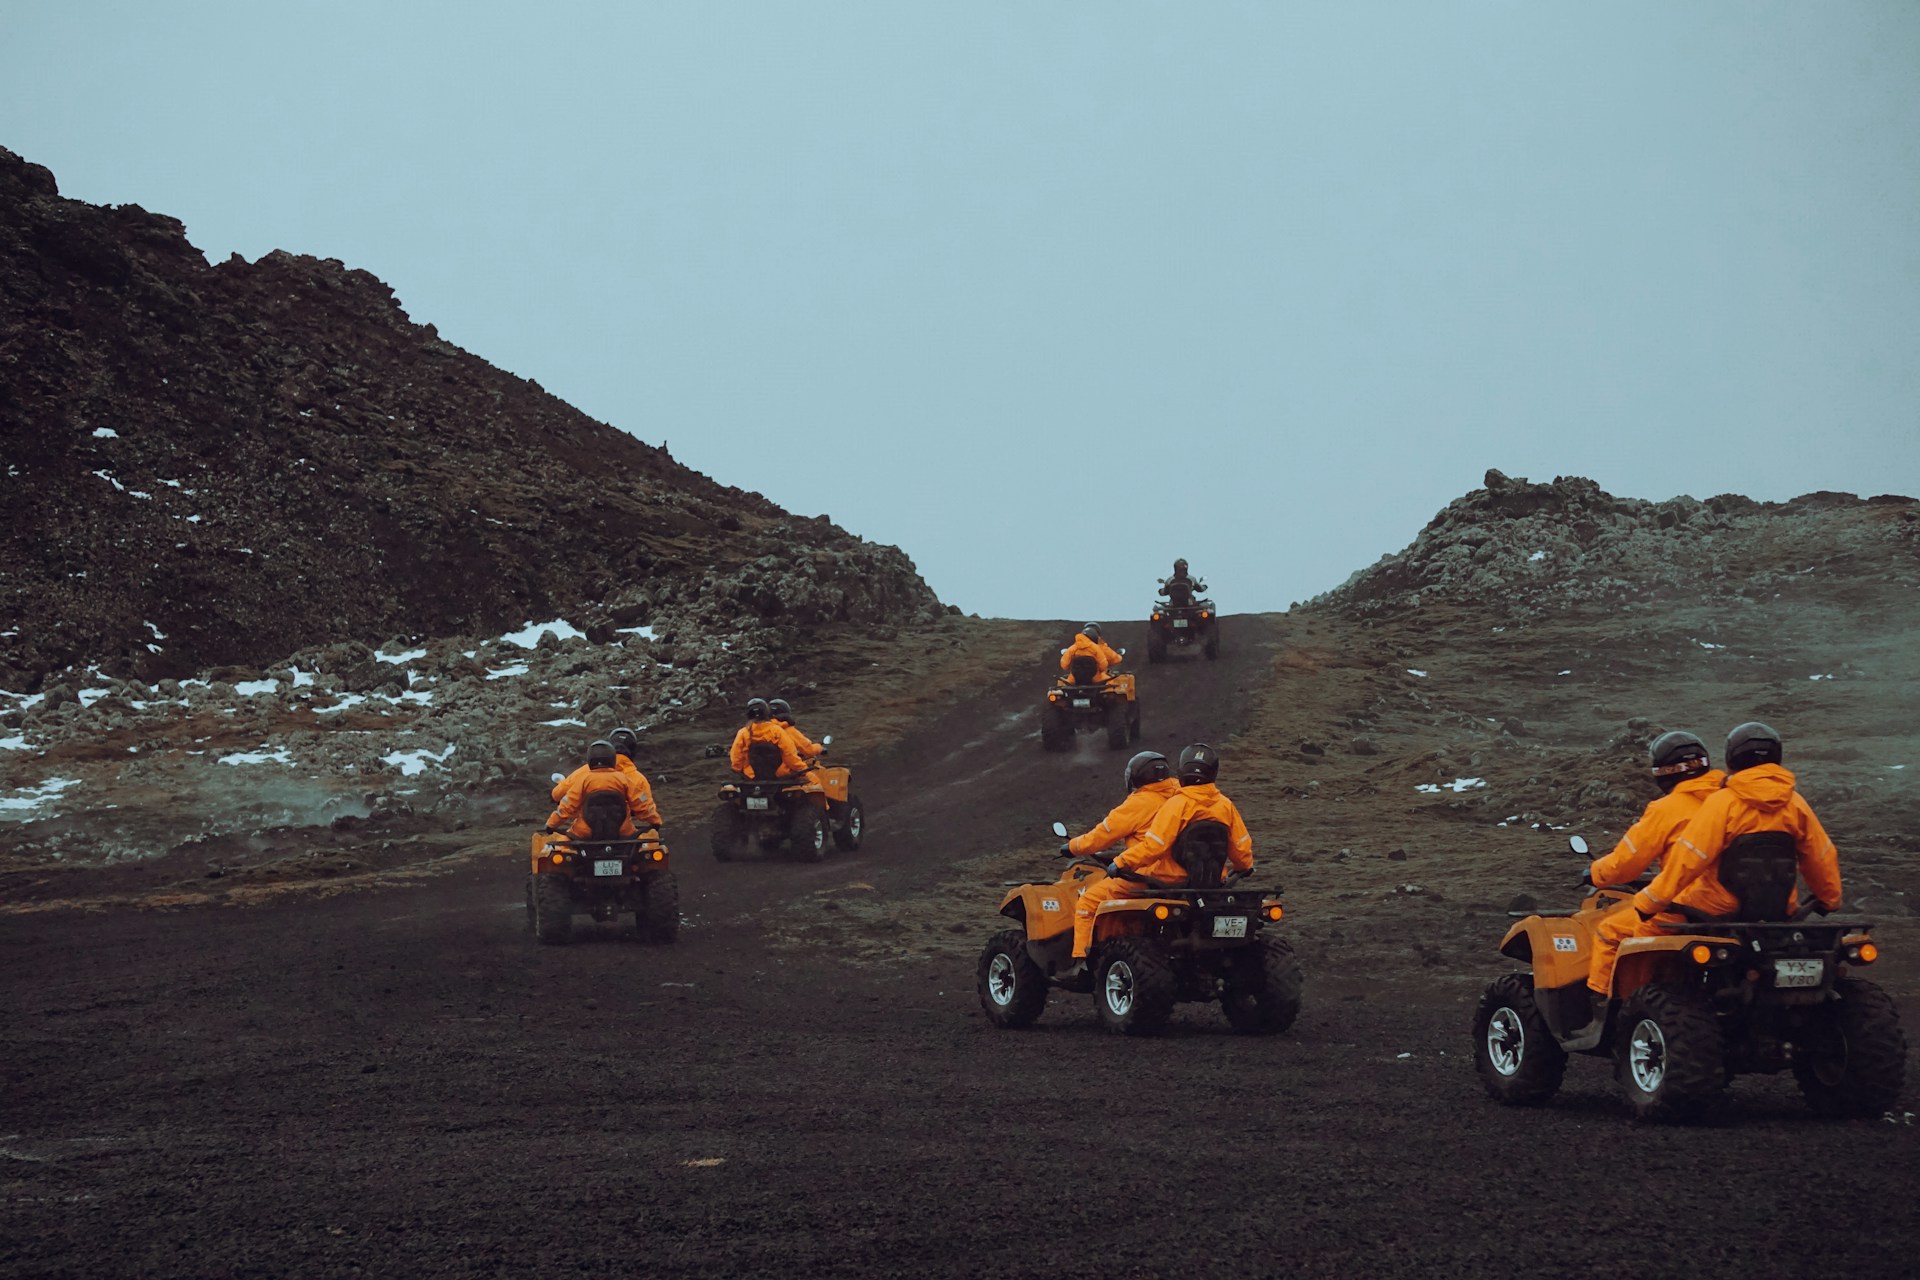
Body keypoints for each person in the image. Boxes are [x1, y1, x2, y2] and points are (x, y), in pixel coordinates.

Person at [1586, 722, 1844, 999]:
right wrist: (1829, 898)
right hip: (1778, 910)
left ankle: (1621, 1010)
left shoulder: (1723, 803)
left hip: (1713, 907)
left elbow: (1690, 858)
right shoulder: (1796, 803)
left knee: (1624, 933)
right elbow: (1821, 855)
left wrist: (1650, 901)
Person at [1069, 744, 1253, 962]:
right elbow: (1241, 846)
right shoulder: (1225, 805)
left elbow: (1154, 846)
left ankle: (1080, 960)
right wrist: (1243, 867)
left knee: (1089, 900)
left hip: (1165, 878)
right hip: (1210, 881)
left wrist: (1120, 862)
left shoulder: (1177, 803)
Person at [1583, 731, 1724, 996]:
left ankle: (1610, 1010)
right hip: (1740, 906)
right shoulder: (1733, 801)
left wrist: (1595, 873)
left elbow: (1627, 862)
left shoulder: (1667, 808)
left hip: (1689, 905)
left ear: (1663, 771)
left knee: (1610, 931)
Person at [1064, 752, 1184, 962]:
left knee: (1087, 902)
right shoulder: (1182, 796)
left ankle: (1080, 961)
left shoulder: (1140, 802)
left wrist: (1072, 846)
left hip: (1151, 875)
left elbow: (1101, 836)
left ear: (1136, 777)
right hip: (1186, 874)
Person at [550, 727, 661, 831]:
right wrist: (656, 821)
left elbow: (558, 795)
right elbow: (645, 807)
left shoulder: (584, 774)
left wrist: (551, 824)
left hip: (586, 830)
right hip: (622, 830)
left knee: (562, 846)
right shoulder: (637, 779)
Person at [729, 697, 807, 778]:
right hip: (779, 774)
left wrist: (737, 769)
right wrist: (801, 768)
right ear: (767, 712)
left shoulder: (743, 733)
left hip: (752, 775)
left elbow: (736, 755)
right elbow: (789, 753)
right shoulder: (777, 731)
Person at [1059, 623, 1124, 682]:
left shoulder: (1072, 648)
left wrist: (1073, 670)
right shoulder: (1097, 648)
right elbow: (1104, 665)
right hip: (1095, 680)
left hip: (1074, 680)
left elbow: (1064, 665)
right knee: (1112, 683)